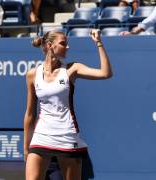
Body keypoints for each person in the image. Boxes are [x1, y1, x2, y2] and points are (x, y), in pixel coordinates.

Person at [23, 29, 112, 180]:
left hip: (67, 137)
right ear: (50, 45)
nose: (68, 47)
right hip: (41, 137)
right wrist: (26, 147)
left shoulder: (72, 69)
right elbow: (30, 113)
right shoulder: (32, 74)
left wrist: (98, 42)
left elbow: (105, 73)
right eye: (63, 44)